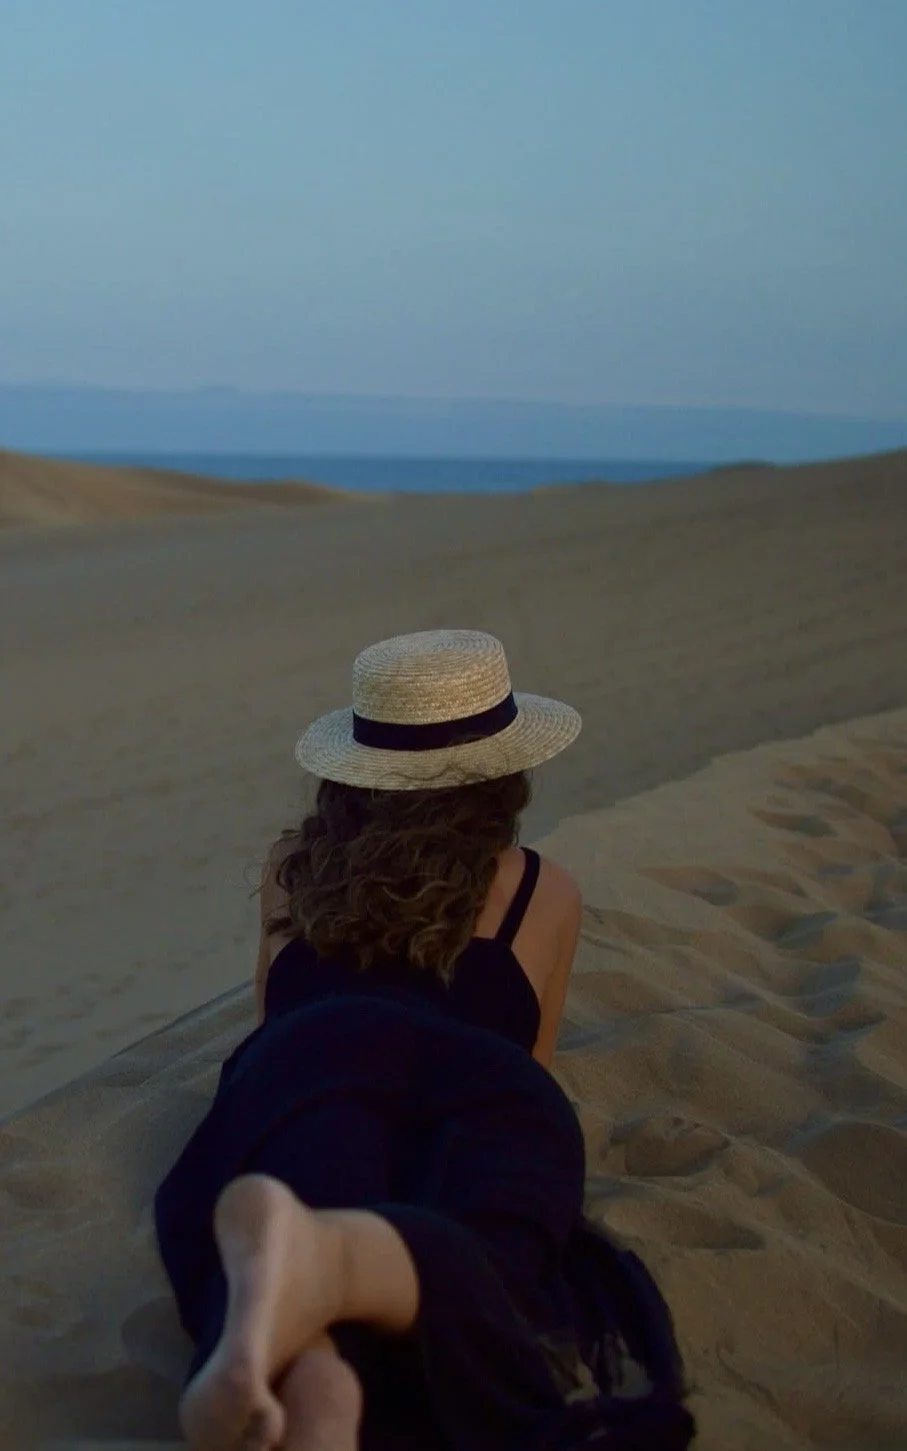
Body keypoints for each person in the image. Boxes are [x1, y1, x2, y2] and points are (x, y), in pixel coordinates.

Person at [154, 629, 695, 1451]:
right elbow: (532, 1063)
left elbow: (271, 1020)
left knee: (305, 1180)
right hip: (479, 1083)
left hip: (309, 1060)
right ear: (504, 770)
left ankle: (314, 1371)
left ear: (356, 763)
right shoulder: (543, 891)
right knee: (496, 1250)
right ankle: (339, 1267)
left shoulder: (290, 865)